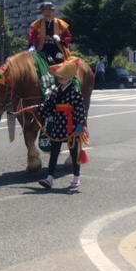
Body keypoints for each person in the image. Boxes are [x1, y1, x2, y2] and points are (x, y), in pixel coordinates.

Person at [35, 58, 87, 189]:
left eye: (62, 76)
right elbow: (48, 107)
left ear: (68, 78)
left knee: (74, 152)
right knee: (54, 151)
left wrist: (80, 126)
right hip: (58, 124)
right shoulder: (56, 91)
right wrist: (36, 108)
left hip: (71, 125)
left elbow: (80, 109)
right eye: (59, 77)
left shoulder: (75, 91)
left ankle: (76, 177)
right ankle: (50, 178)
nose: (59, 79)